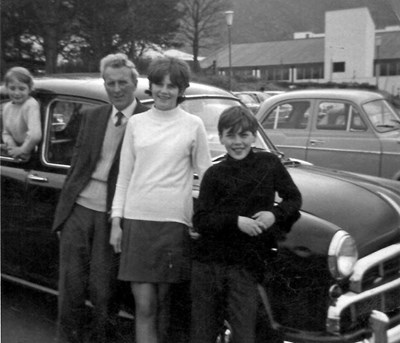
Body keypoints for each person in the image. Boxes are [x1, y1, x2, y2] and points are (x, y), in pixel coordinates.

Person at [110, 56, 212, 343]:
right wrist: (116, 221)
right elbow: (124, 176)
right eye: (159, 84)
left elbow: (206, 178)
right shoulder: (136, 123)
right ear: (150, 85)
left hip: (174, 225)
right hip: (137, 223)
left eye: (172, 86)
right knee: (145, 306)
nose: (165, 91)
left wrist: (200, 218)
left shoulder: (193, 125)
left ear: (182, 90)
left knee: (164, 305)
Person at [52, 53, 148, 343]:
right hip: (79, 211)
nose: (116, 89)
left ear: (135, 83)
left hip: (114, 216)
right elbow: (76, 168)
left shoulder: (147, 120)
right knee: (70, 288)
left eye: (122, 83)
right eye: (110, 83)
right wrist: (63, 216)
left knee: (104, 290)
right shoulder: (92, 116)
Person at [190, 106, 302, 343]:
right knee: (203, 333)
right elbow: (200, 220)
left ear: (253, 136)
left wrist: (274, 214)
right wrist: (235, 221)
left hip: (246, 266)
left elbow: (294, 198)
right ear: (220, 138)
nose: (237, 142)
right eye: (230, 136)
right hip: (209, 265)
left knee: (244, 334)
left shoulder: (269, 164)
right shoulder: (214, 174)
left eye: (244, 135)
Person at [1, 66, 42, 161]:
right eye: (12, 88)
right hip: (18, 152)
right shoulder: (7, 107)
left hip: (32, 153)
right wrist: (12, 148)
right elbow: (6, 133)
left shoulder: (30, 105)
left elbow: (34, 135)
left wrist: (22, 150)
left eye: (22, 89)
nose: (17, 93)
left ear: (30, 88)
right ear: (6, 88)